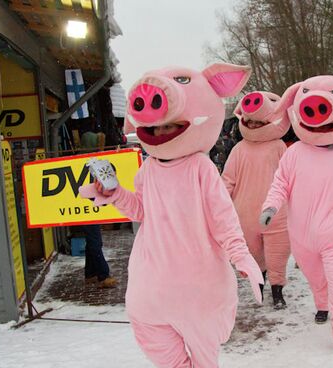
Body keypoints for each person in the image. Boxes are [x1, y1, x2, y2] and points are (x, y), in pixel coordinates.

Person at [80, 63, 263, 367]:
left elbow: (223, 219)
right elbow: (141, 209)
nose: (161, 133)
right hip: (153, 283)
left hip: (199, 284)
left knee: (205, 357)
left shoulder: (200, 168)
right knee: (162, 351)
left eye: (168, 126)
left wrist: (241, 256)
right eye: (154, 128)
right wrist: (114, 194)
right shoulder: (148, 169)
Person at [260, 75, 333, 351]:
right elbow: (280, 184)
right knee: (315, 276)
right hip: (303, 234)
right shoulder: (294, 153)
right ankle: (321, 305)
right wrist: (270, 207)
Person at [223, 91, 291, 309]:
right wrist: (220, 204)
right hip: (245, 213)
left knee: (277, 254)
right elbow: (228, 180)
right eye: (249, 122)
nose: (252, 126)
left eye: (257, 122)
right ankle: (259, 285)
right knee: (253, 254)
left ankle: (277, 290)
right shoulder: (238, 149)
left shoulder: (279, 146)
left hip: (277, 212)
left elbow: (290, 177)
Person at [80, 130, 116, 288]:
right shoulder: (89, 165)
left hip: (86, 207)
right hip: (85, 207)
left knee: (92, 239)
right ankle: (103, 275)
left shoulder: (89, 163)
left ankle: (90, 273)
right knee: (95, 240)